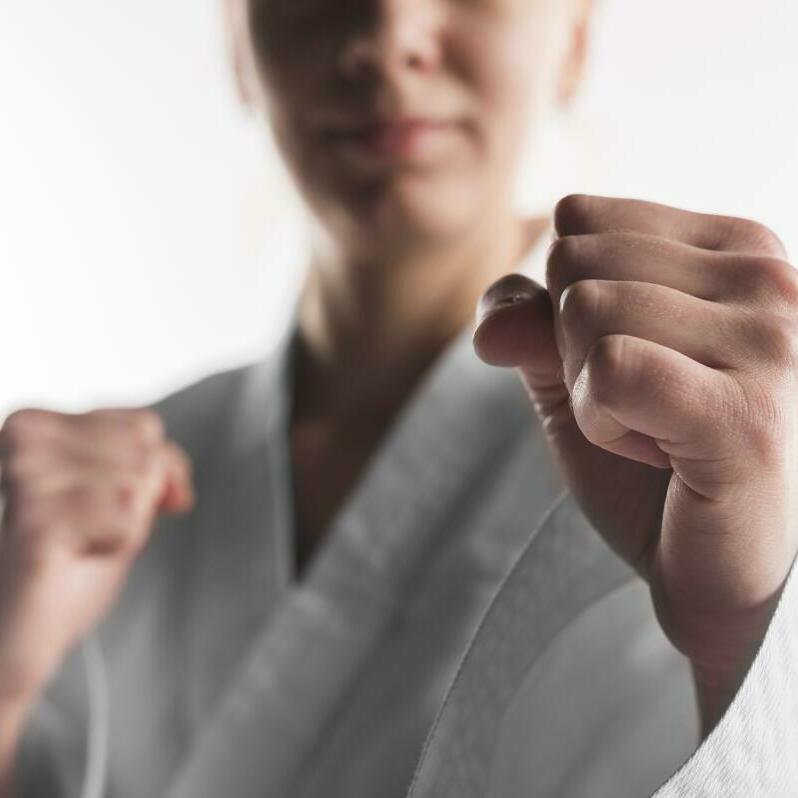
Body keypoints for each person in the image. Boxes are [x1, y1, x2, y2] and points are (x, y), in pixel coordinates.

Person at [1, 0, 797, 796]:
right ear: (237, 39)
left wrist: (742, 647)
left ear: (574, 37)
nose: (389, 38)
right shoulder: (86, 516)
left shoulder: (698, 476)